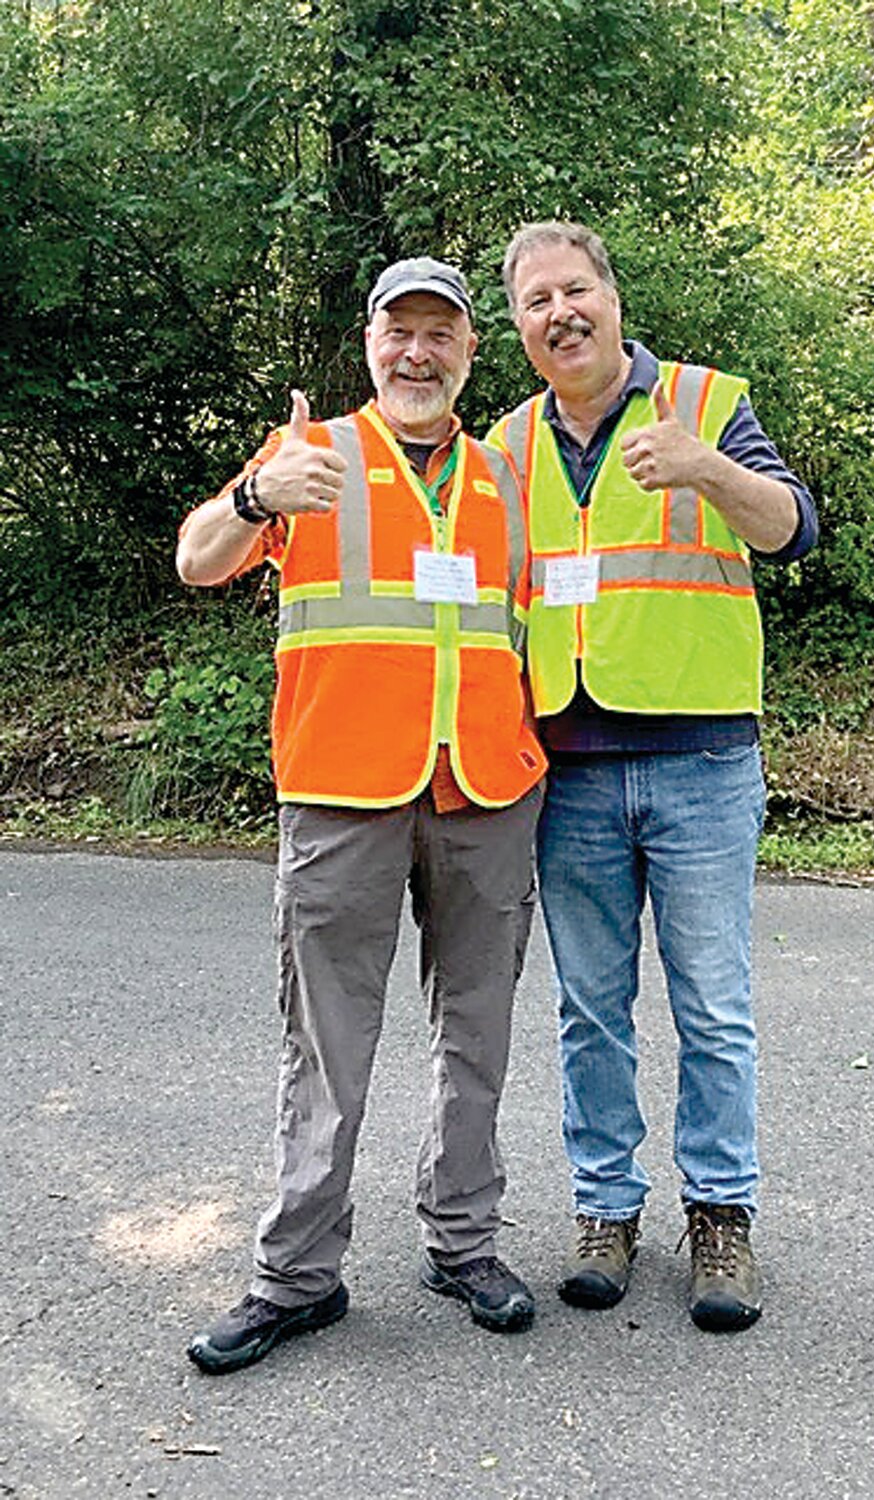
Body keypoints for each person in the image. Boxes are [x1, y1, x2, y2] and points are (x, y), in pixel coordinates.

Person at [178, 257, 547, 1373]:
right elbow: (198, 560)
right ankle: (296, 1277)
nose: (419, 354)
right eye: (402, 334)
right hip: (341, 791)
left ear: (469, 352)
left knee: (475, 1035)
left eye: (442, 334)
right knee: (326, 1049)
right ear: (370, 344)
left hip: (487, 790)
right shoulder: (312, 457)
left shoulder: (505, 479)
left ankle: (465, 1242)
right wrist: (254, 497)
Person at [488, 223, 818, 1333]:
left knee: (714, 1007)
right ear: (520, 327)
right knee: (590, 1010)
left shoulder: (707, 400)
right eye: (537, 302)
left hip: (702, 762)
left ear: (613, 297)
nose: (559, 313)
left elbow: (791, 530)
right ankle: (604, 1210)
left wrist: (706, 468)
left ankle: (722, 1219)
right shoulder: (507, 443)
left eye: (574, 290)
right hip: (567, 770)